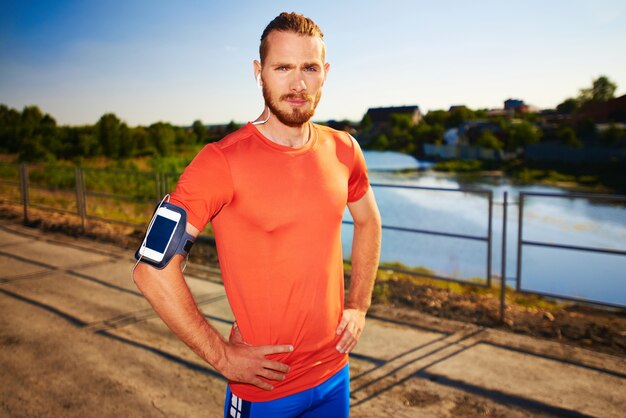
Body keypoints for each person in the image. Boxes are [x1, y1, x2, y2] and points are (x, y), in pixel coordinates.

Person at [132, 11, 381, 418]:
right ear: (258, 72)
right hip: (266, 391)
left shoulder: (343, 149)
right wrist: (224, 358)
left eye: (309, 68)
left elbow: (369, 221)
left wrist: (359, 305)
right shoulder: (220, 162)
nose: (298, 84)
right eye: (282, 67)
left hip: (335, 375)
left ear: (325, 73)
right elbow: (151, 269)